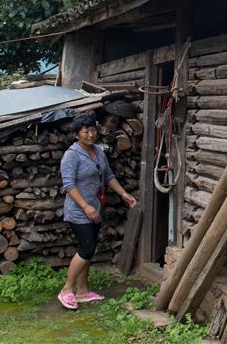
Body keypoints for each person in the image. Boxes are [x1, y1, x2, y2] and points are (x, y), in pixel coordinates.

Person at [58, 113, 136, 309]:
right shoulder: (72, 155)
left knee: (88, 249)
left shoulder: (98, 152)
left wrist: (123, 194)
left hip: (95, 208)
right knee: (87, 248)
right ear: (77, 135)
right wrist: (85, 206)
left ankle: (83, 291)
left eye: (93, 130)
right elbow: (69, 185)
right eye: (86, 132)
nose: (91, 135)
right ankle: (66, 289)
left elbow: (108, 176)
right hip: (79, 211)